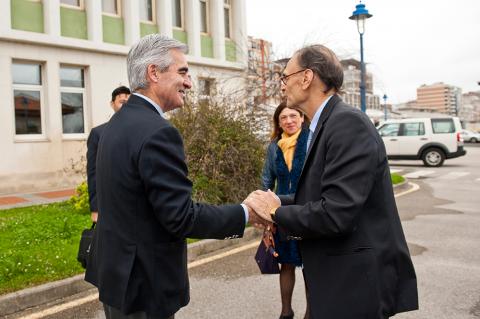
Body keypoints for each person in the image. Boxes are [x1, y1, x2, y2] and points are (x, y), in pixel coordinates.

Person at [85, 35, 261, 319]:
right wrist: (245, 214)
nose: (189, 83)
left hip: (117, 278)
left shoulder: (116, 124)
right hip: (144, 285)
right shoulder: (157, 132)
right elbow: (180, 217)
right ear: (153, 73)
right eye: (182, 72)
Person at [245, 44, 418, 318]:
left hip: (355, 284)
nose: (282, 86)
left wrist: (276, 212)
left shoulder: (347, 124)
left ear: (306, 77)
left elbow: (337, 213)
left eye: (285, 77)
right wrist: (276, 200)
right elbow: (318, 196)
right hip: (338, 279)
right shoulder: (324, 124)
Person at [261, 102, 310, 319]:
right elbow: (266, 181)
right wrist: (264, 212)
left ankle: (311, 313)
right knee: (287, 264)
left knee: (311, 265)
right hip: (281, 214)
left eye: (293, 116)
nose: (289, 121)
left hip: (308, 211)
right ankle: (286, 312)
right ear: (278, 123)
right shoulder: (274, 147)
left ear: (301, 118)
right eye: (283, 118)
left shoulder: (311, 142)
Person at [86, 86, 131, 223]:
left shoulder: (144, 130)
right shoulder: (98, 134)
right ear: (112, 104)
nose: (125, 106)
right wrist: (95, 208)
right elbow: (93, 173)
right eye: (121, 102)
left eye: (129, 102)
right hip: (110, 203)